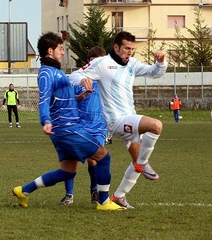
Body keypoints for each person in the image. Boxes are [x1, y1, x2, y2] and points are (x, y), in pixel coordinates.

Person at [12, 32, 125, 211]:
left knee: (68, 171)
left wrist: (80, 96)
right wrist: (45, 120)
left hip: (65, 129)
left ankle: (23, 191)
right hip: (67, 127)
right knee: (104, 156)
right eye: (60, 48)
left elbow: (65, 98)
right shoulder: (46, 74)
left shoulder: (57, 72)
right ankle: (103, 202)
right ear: (50, 51)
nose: (63, 52)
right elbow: (44, 99)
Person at [69, 31, 168, 209]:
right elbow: (74, 76)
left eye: (132, 49)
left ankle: (119, 196)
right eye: (126, 48)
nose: (130, 52)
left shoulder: (132, 64)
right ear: (116, 47)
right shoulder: (102, 63)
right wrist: (84, 79)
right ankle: (143, 163)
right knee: (156, 125)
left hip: (130, 118)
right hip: (116, 121)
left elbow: (154, 73)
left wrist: (160, 63)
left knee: (136, 160)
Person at [60, 46, 107, 205]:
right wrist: (80, 96)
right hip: (79, 124)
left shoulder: (106, 81)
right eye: (93, 62)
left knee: (94, 161)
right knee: (70, 159)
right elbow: (68, 98)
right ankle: (69, 195)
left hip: (98, 126)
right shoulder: (78, 79)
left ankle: (94, 190)